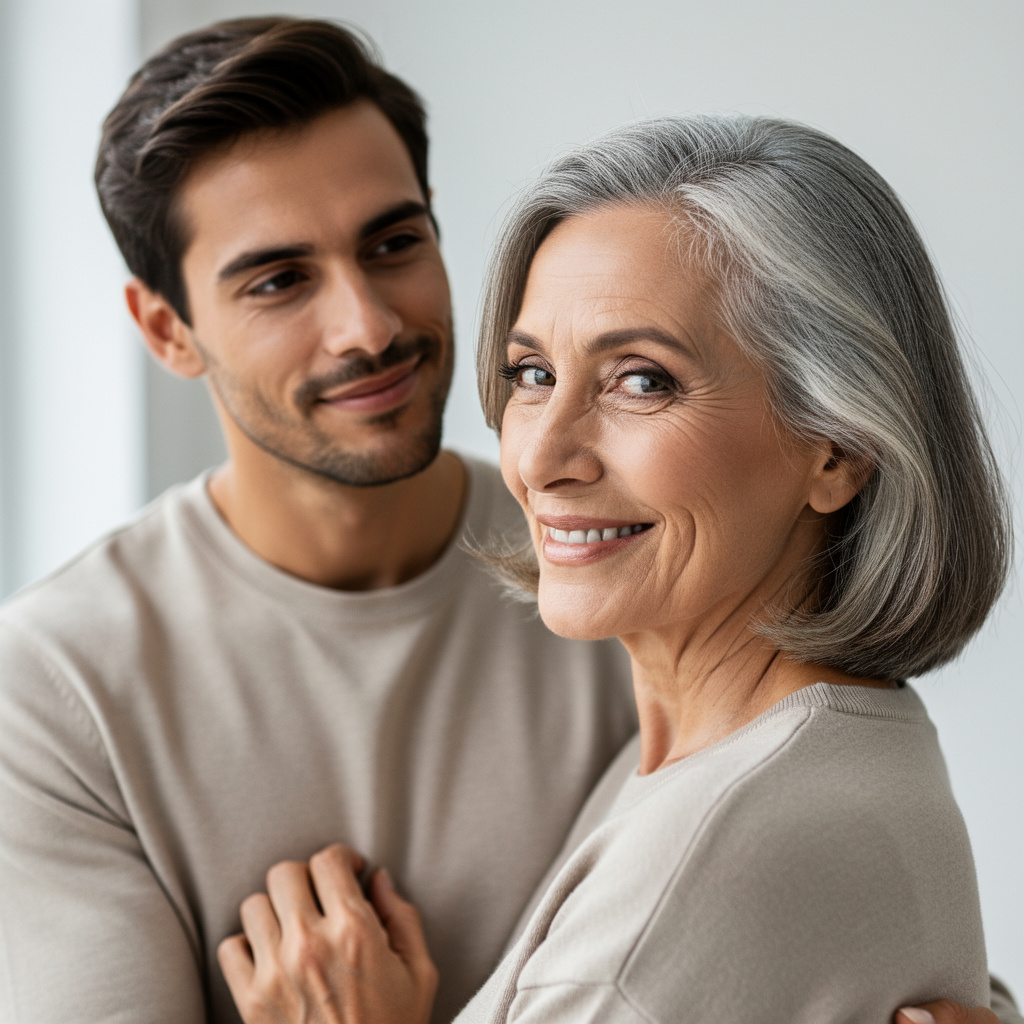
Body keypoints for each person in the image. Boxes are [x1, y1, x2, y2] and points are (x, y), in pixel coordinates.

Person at [0, 16, 1010, 1024]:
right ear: (166, 328)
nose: (367, 325)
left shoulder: (626, 572)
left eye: (393, 242)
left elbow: (755, 904)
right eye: (279, 280)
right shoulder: (56, 687)